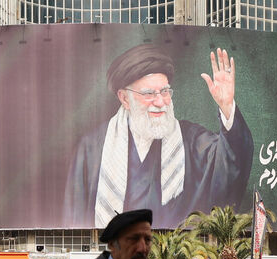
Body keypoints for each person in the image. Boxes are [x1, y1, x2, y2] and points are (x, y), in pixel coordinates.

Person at [64, 45, 254, 230]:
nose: (160, 102)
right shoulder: (92, 149)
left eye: (165, 91)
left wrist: (227, 107)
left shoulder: (192, 141)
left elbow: (231, 160)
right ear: (124, 98)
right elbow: (75, 220)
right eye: (149, 94)